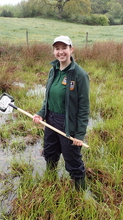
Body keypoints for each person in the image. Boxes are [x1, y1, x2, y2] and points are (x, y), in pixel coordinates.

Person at [33, 35, 90, 191]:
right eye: (57, 49)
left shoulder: (80, 75)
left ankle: (81, 192)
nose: (60, 52)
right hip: (50, 120)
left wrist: (79, 135)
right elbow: (48, 98)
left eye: (64, 48)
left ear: (71, 49)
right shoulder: (54, 70)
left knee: (73, 160)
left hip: (67, 123)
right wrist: (41, 113)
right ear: (54, 51)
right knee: (50, 153)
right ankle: (50, 182)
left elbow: (84, 108)